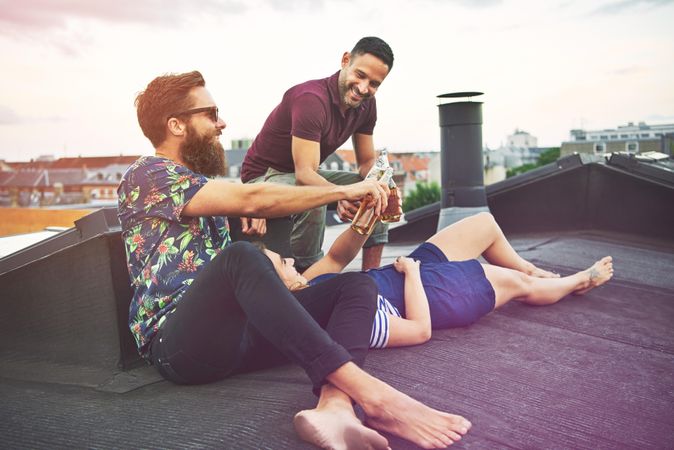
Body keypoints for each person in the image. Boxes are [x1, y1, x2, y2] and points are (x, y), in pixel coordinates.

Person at [118, 70, 471, 450]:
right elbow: (254, 201)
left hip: (235, 335)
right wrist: (341, 190)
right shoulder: (146, 174)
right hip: (178, 346)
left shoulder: (200, 188)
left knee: (355, 284)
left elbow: (240, 217)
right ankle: (374, 396)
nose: (222, 123)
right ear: (176, 125)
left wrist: (249, 225)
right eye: (211, 113)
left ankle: (335, 407)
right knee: (240, 257)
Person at [262, 212, 615, 349]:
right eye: (282, 262)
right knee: (518, 285)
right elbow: (418, 330)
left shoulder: (304, 286)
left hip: (402, 270)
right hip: (429, 293)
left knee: (485, 225)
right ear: (273, 285)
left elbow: (336, 258)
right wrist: (414, 275)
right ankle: (577, 281)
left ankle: (531, 268)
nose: (292, 259)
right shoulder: (319, 321)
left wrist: (365, 218)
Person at [240, 36, 394, 272]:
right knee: (315, 199)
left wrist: (379, 182)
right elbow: (305, 176)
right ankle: (308, 274)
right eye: (360, 75)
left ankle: (372, 276)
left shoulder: (366, 105)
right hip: (264, 176)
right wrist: (340, 194)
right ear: (345, 60)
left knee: (377, 191)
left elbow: (365, 163)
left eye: (374, 84)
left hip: (302, 172)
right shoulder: (311, 100)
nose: (364, 88)